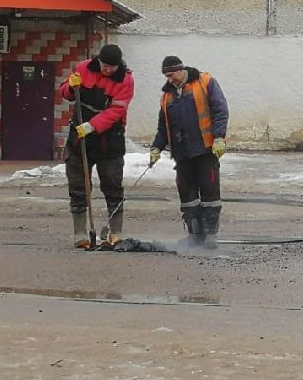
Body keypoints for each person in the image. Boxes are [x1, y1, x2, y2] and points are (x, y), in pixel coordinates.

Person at [150, 56, 230, 249]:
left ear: (181, 69)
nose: (169, 79)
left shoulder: (205, 81)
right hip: (182, 153)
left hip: (205, 149)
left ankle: (210, 235)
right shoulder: (167, 96)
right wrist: (156, 147)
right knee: (188, 196)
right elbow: (163, 126)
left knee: (210, 193)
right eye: (166, 76)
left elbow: (220, 110)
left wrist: (219, 137)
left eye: (171, 75)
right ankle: (195, 236)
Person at [60, 43, 135, 249]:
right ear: (98, 61)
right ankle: (80, 233)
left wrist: (92, 126)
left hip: (109, 138)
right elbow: (65, 93)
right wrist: (70, 86)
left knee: (112, 184)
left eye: (112, 67)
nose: (108, 70)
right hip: (79, 137)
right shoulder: (83, 68)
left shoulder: (125, 80)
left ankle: (115, 232)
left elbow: (117, 111)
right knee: (78, 185)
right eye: (104, 66)